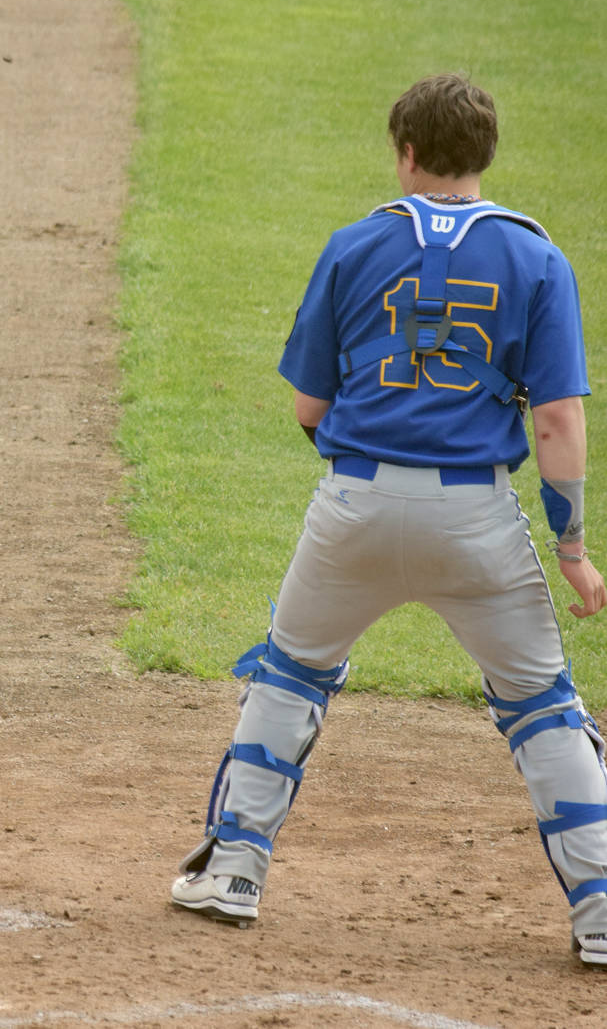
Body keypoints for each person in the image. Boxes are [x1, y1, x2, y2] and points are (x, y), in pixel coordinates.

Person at [169, 73, 607, 967]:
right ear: (484, 155)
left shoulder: (354, 243)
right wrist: (571, 548)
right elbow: (557, 421)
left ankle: (233, 874)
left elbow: (306, 404)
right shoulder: (537, 258)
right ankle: (600, 913)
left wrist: (368, 483)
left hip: (354, 502)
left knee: (290, 675)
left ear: (404, 153)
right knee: (542, 710)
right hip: (478, 520)